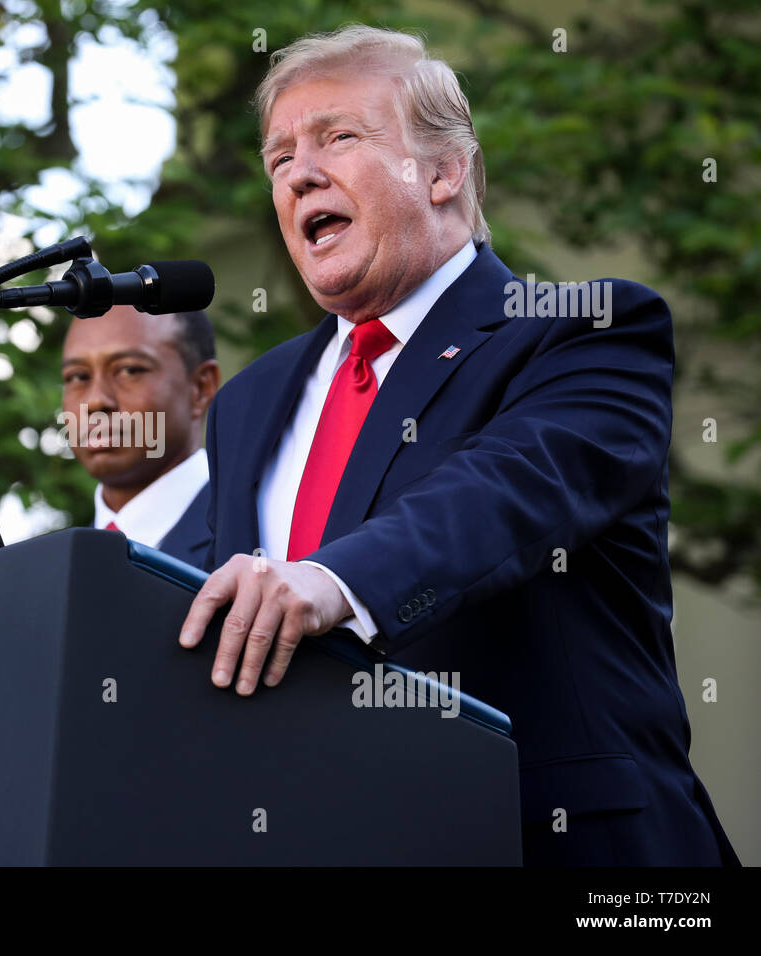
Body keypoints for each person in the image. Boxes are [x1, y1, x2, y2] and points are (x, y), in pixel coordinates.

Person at [177, 25, 739, 866]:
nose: (298, 173)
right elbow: (190, 598)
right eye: (278, 157)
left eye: (339, 137)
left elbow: (505, 491)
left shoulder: (579, 328)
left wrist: (333, 581)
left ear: (444, 172)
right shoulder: (250, 402)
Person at [61, 304, 219, 567]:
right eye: (78, 376)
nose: (96, 401)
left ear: (200, 388)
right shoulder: (52, 567)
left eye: (129, 370)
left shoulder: (259, 538)